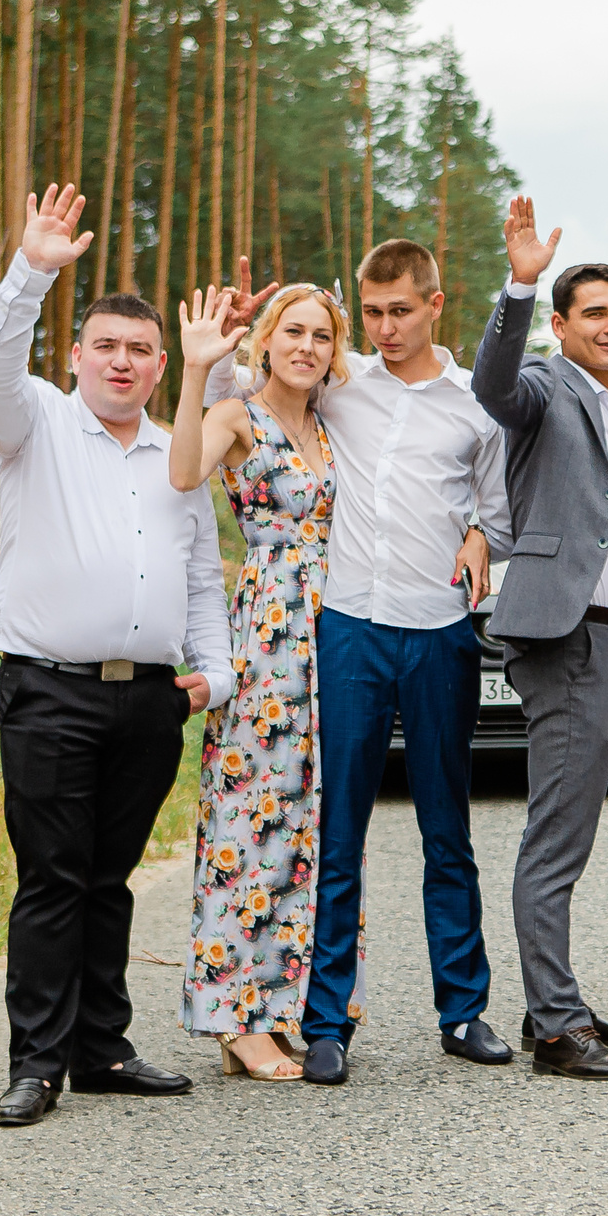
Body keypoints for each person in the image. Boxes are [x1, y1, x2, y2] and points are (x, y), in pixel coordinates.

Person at [207, 237, 506, 1088]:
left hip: (439, 627)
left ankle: (464, 1010)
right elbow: (252, 400)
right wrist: (229, 344)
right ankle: (326, 1020)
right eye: (370, 314)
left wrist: (485, 534)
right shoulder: (341, 387)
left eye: (399, 312)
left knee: (447, 826)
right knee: (339, 829)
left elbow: (500, 504)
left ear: (435, 304)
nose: (383, 329)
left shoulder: (473, 404)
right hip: (346, 630)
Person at [0, 183, 233, 1127]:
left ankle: (101, 1047)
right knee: (52, 875)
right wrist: (33, 267)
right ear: (76, 355)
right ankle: (36, 1060)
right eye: (105, 347)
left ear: (162, 365)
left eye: (138, 351)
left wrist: (217, 668)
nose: (122, 362)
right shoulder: (32, 423)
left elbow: (202, 573)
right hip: (49, 690)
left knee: (110, 876)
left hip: (150, 701)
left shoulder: (178, 451)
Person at [472, 200, 608, 1080]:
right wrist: (521, 283)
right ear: (563, 324)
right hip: (566, 634)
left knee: (568, 830)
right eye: (596, 313)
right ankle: (554, 1025)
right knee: (558, 836)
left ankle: (562, 1004)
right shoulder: (544, 384)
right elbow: (492, 387)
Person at [169, 279, 359, 1084]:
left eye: (321, 335)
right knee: (252, 817)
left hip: (341, 625)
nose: (307, 346)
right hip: (272, 629)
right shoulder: (236, 414)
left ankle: (291, 1003)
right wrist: (194, 371)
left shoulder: (332, 421)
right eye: (293, 331)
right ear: (268, 339)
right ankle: (234, 1012)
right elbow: (182, 473)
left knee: (316, 821)